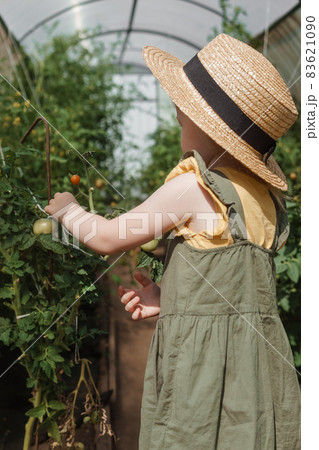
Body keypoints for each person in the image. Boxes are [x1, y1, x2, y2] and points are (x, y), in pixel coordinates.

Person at [45, 33, 301, 449]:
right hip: (258, 366)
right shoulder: (265, 200)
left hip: (202, 372)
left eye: (185, 111)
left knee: (193, 435)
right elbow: (238, 290)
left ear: (209, 126)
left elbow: (110, 237)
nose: (177, 113)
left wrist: (69, 210)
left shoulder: (193, 187)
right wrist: (175, 299)